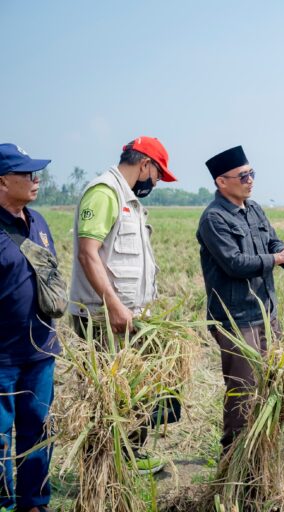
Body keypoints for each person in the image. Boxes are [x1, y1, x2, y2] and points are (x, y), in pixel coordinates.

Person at [196, 146, 284, 452]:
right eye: (243, 176)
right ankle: (234, 460)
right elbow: (234, 263)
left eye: (252, 173)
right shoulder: (214, 219)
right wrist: (277, 257)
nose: (250, 181)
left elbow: (272, 241)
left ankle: (263, 452)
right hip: (237, 318)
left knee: (271, 385)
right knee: (243, 391)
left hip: (266, 313)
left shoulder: (255, 209)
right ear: (222, 182)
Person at [69, 136, 176, 474]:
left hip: (128, 317)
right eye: (158, 174)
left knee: (131, 392)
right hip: (103, 318)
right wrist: (114, 305)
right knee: (105, 397)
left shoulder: (128, 199)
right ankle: (102, 470)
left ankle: (127, 458)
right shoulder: (104, 193)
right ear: (144, 164)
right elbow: (88, 254)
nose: (156, 182)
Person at [0, 143, 58, 512]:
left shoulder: (38, 222)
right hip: (2, 356)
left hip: (40, 351)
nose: (36, 180)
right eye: (27, 174)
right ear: (3, 181)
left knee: (40, 429)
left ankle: (34, 502)